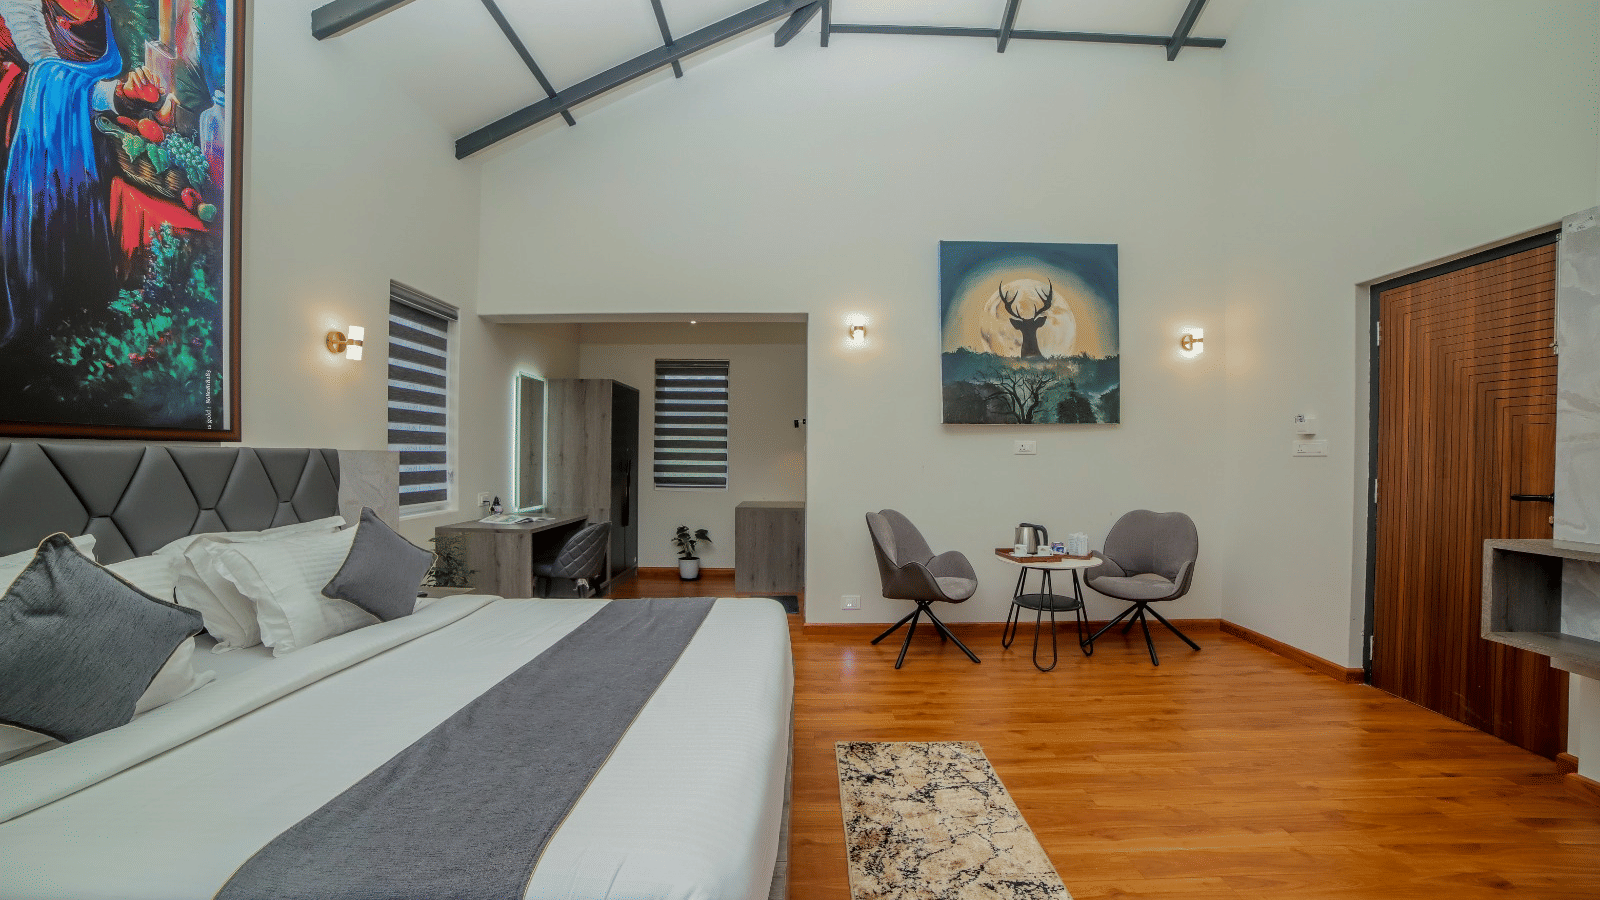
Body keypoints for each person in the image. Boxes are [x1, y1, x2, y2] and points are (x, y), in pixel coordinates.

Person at [0, 0, 164, 348]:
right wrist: (119, 95)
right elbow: (49, 76)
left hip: (96, 135)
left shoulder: (108, 11)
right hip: (41, 131)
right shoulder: (25, 4)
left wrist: (133, 90)